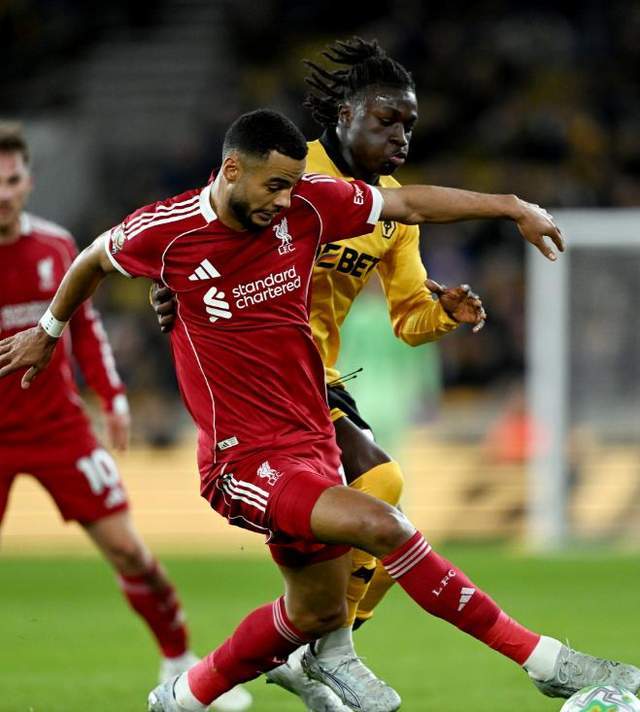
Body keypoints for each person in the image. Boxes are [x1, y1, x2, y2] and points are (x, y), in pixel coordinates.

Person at [1, 110, 637, 712]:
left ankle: (182, 697)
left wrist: (512, 207)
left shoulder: (307, 204)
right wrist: (49, 331)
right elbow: (92, 258)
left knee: (315, 614)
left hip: (313, 442)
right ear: (231, 170)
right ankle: (543, 661)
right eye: (274, 185)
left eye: (292, 186)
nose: (285, 200)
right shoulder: (165, 232)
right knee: (384, 524)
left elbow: (409, 204)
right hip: (241, 459)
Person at [150, 37, 488, 712]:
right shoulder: (284, 173)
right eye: (387, 120)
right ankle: (322, 653)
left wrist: (445, 314)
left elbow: (408, 318)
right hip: (254, 377)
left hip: (318, 379)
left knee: (381, 509)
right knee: (382, 488)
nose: (400, 137)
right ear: (345, 114)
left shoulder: (393, 212)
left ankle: (317, 649)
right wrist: (172, 286)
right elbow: (201, 231)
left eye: (409, 125)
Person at [0, 122, 251, 712]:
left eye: (12, 180)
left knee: (131, 552)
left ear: (29, 181)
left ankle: (180, 662)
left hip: (58, 429)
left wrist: (112, 397)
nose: (3, 194)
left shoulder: (56, 246)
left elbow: (84, 327)